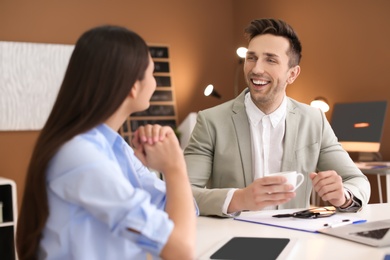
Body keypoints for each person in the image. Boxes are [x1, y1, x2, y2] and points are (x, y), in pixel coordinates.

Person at [16, 25, 197, 260]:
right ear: (133, 86)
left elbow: (185, 211)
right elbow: (181, 250)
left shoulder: (115, 147)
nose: (155, 83)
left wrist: (169, 167)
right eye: (152, 74)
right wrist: (175, 167)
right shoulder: (79, 155)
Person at [184, 18, 370, 217]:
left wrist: (344, 195)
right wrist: (239, 198)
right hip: (234, 239)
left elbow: (358, 181)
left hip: (297, 239)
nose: (256, 69)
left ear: (292, 74)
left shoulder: (314, 120)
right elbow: (180, 193)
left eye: (270, 60)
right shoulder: (211, 121)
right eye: (252, 57)